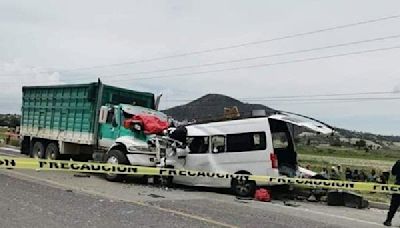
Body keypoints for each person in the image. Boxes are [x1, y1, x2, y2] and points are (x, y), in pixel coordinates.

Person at [384, 160, 400, 226]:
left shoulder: (399, 162)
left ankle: (388, 220)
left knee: (394, 205)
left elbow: (393, 172)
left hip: (398, 186)